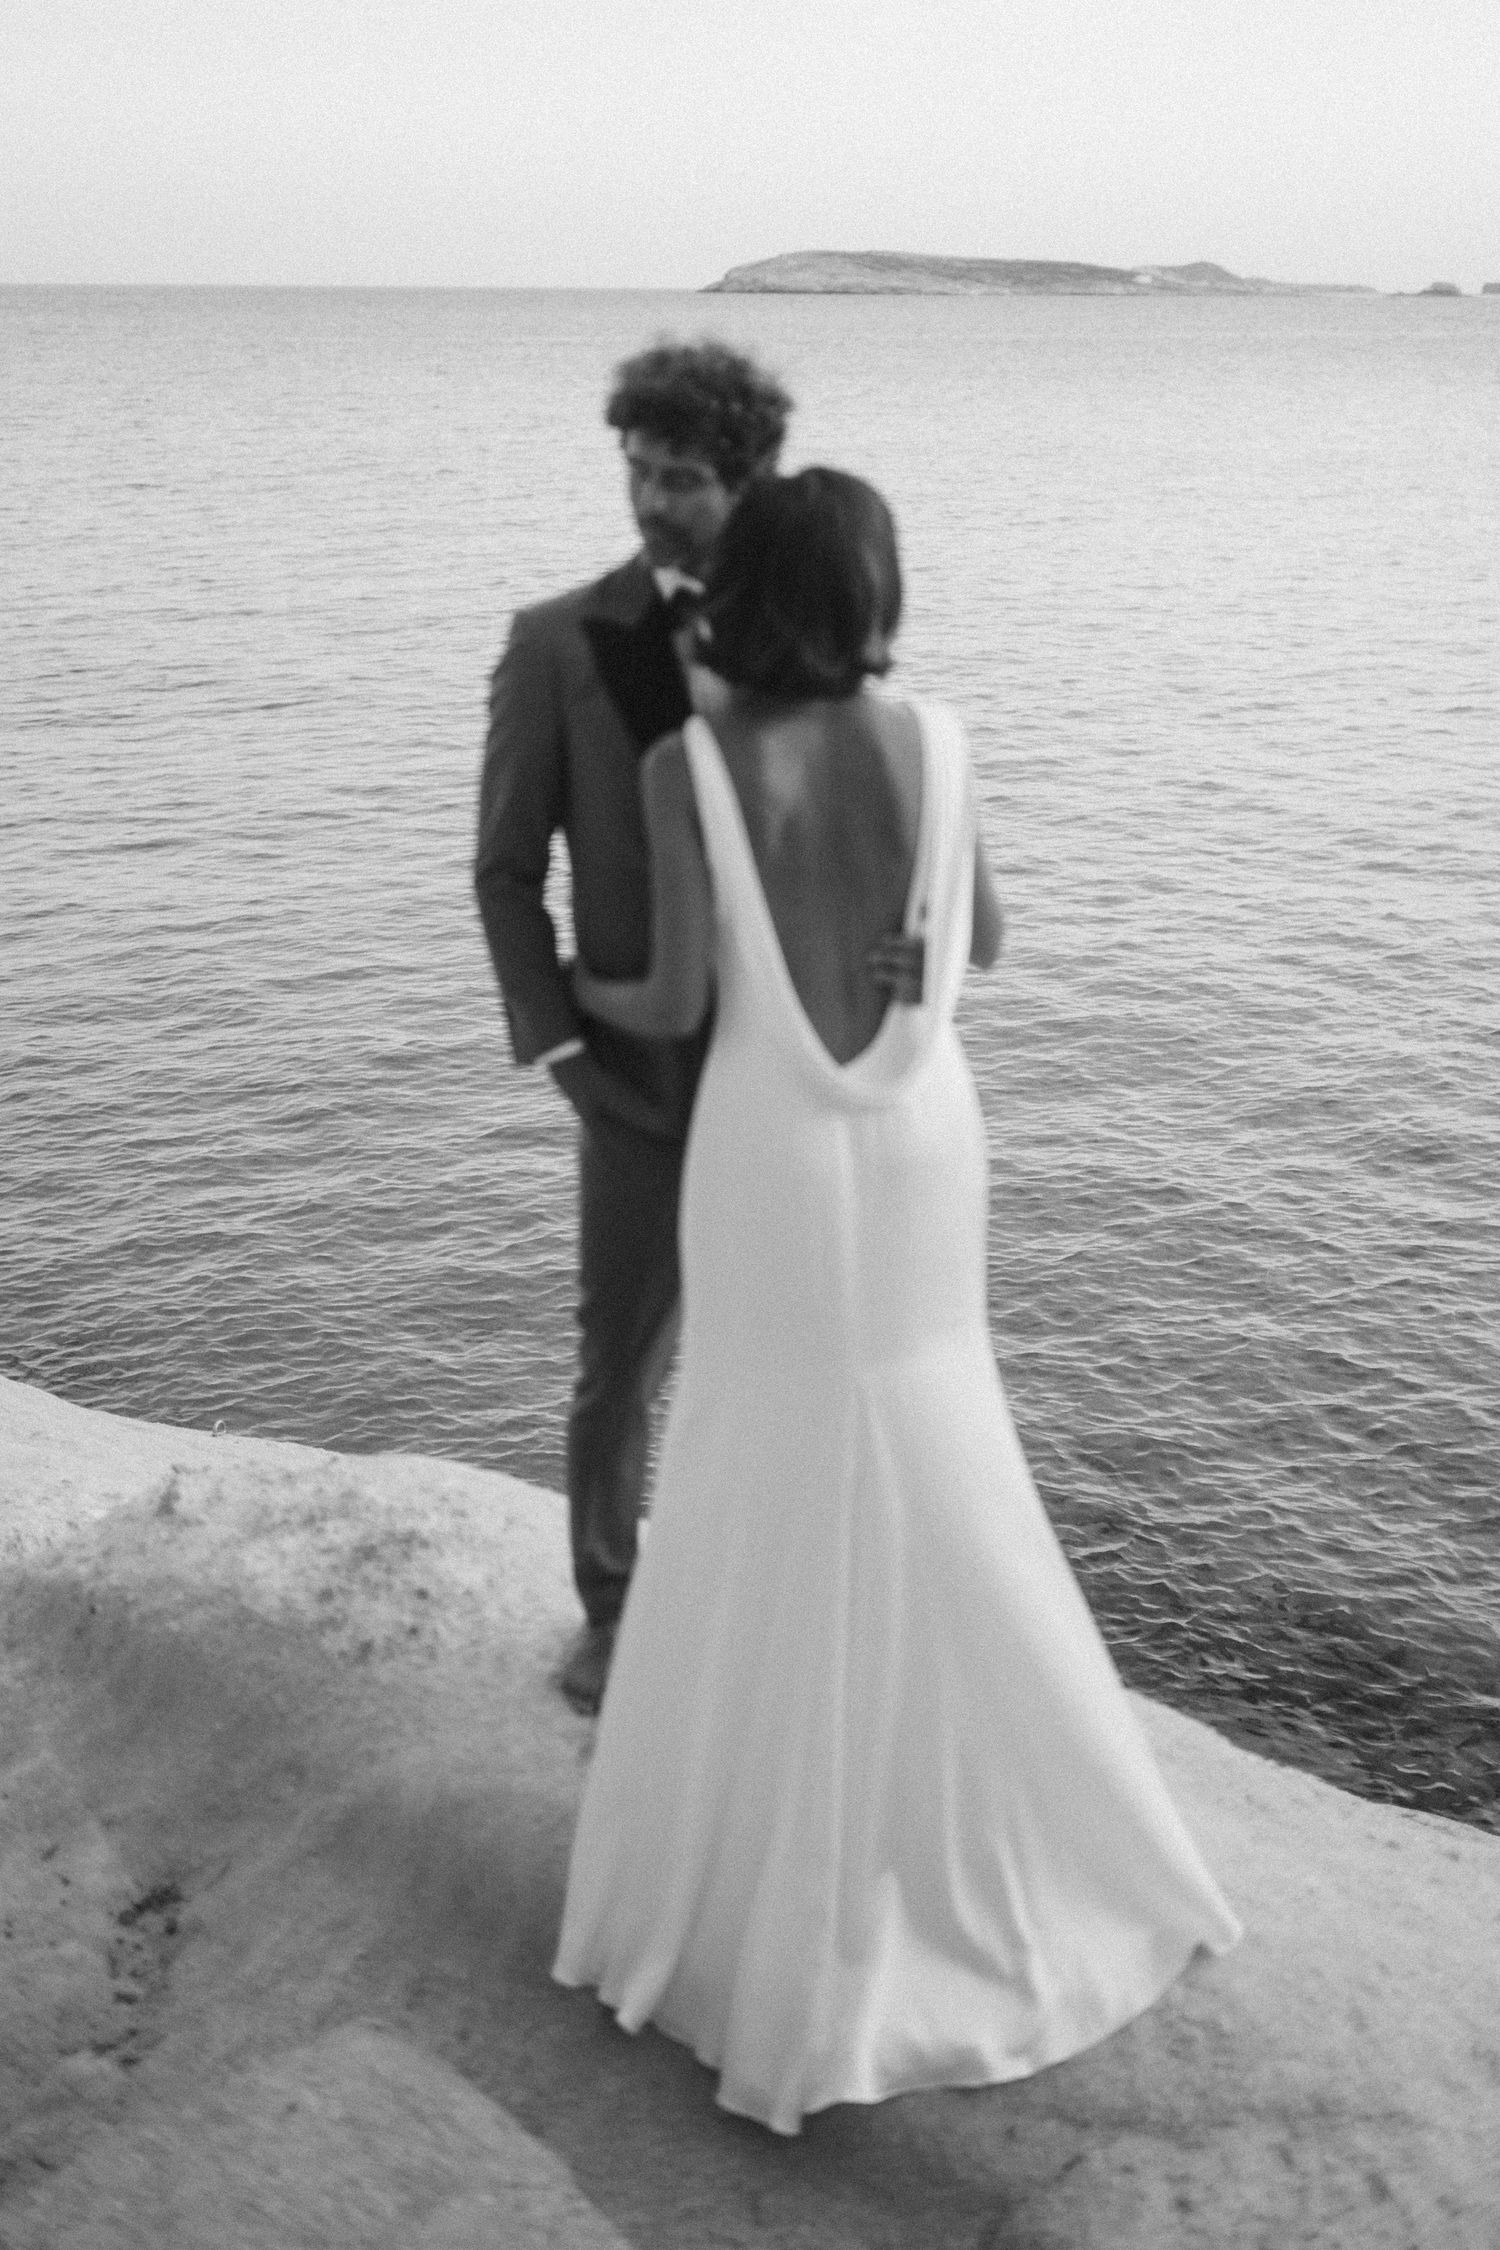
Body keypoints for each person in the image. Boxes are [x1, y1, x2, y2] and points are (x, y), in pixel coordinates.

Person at [552, 468, 1242, 2134]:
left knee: (753, 1457)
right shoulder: (938, 739)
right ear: (876, 591)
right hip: (925, 1139)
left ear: (749, 593)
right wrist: (895, 938)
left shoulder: (690, 764)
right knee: (944, 1454)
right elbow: (983, 943)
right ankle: (1020, 1836)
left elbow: (675, 995)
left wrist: (569, 971)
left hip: (774, 1150)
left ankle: (756, 1883)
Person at [474, 340, 793, 1714]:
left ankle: (766, 1598)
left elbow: (861, 821)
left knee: (792, 1355)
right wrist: (560, 1051)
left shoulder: (812, 631)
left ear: (747, 482)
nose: (650, 501)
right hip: (635, 1080)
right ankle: (613, 1607)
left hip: (797, 1075)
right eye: (637, 471)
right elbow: (502, 869)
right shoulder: (556, 642)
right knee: (624, 1363)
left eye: (680, 479)